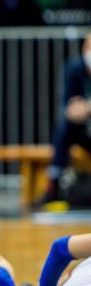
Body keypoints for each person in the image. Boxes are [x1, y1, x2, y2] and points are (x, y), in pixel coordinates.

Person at [38, 32, 91, 206]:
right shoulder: (74, 69)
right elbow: (71, 110)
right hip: (83, 131)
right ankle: (54, 184)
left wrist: (85, 106)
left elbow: (80, 107)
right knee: (65, 127)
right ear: (85, 48)